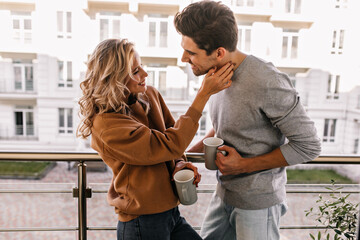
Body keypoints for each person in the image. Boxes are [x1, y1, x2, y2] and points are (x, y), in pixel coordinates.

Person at [174, 1, 322, 240]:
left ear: (219, 53)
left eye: (191, 53)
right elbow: (227, 125)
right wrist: (185, 157)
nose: (183, 58)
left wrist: (244, 166)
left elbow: (309, 145)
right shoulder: (216, 76)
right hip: (224, 194)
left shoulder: (267, 81)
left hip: (257, 203)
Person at [77, 38, 234, 240]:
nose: (144, 74)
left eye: (140, 66)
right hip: (141, 223)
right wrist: (202, 95)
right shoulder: (106, 124)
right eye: (134, 71)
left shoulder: (149, 94)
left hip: (171, 214)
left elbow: (172, 139)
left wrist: (179, 164)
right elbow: (168, 144)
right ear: (113, 78)